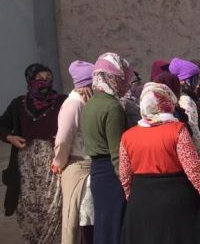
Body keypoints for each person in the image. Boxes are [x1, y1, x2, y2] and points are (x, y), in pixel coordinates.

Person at [119, 82, 200, 243]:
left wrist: (133, 197)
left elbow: (124, 175)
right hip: (176, 198)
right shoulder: (177, 130)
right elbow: (193, 168)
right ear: (167, 103)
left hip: (141, 198)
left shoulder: (128, 136)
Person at [0, 63, 66, 244]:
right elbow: (1, 125)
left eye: (48, 79)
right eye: (39, 79)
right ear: (30, 81)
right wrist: (10, 137)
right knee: (27, 209)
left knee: (54, 208)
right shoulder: (19, 104)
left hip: (53, 166)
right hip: (26, 168)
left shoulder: (62, 102)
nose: (44, 82)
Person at [80, 52, 132, 244]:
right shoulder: (112, 107)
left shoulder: (90, 104)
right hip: (111, 173)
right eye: (122, 77)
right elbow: (117, 152)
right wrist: (127, 183)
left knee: (103, 224)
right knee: (115, 225)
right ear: (113, 78)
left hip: (97, 172)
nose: (125, 82)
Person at [51, 60, 95, 244]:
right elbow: (63, 139)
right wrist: (59, 162)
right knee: (75, 221)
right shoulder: (74, 104)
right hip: (78, 168)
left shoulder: (89, 101)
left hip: (91, 167)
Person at [167, 58, 200, 178]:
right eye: (196, 79)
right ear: (186, 80)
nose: (198, 84)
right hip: (199, 155)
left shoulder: (188, 98)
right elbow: (194, 131)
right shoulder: (186, 100)